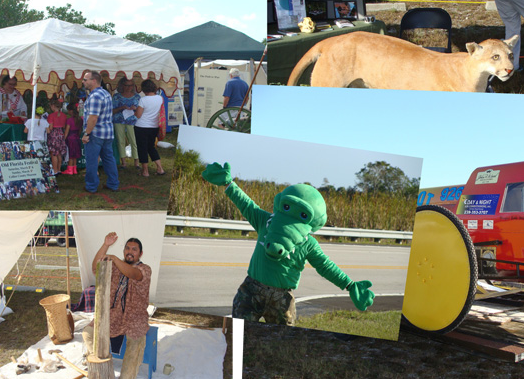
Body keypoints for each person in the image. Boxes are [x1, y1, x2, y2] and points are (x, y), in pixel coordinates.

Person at [201, 162, 375, 325]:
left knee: (281, 341)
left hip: (281, 298)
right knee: (238, 333)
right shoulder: (265, 220)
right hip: (252, 290)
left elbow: (325, 266)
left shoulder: (307, 243)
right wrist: (229, 184)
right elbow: (246, 204)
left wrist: (349, 285)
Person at [82, 232, 152, 379]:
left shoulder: (144, 269)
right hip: (113, 315)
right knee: (88, 332)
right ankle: (101, 366)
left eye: (134, 249)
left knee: (135, 342)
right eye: (127, 248)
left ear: (140, 254)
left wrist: (113, 257)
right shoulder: (115, 266)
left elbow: (133, 274)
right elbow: (95, 267)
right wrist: (106, 245)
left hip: (134, 317)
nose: (130, 251)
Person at [81, 71, 120, 193]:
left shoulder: (95, 96)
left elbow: (93, 117)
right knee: (109, 159)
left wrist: (87, 133)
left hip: (96, 133)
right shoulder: (106, 94)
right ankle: (113, 184)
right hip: (107, 132)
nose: (83, 82)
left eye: (85, 79)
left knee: (92, 161)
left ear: (93, 81)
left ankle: (91, 186)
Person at [133, 79, 166, 177]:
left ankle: (145, 171)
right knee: (151, 147)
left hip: (141, 126)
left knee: (142, 148)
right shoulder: (160, 98)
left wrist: (135, 111)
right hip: (154, 126)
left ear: (144, 89)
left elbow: (138, 115)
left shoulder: (143, 100)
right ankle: (160, 168)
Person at [112, 77, 141, 170]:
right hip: (118, 120)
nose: (129, 87)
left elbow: (141, 110)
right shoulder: (116, 96)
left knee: (134, 140)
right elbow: (111, 111)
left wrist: (135, 109)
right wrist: (121, 108)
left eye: (131, 85)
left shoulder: (137, 97)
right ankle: (123, 162)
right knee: (120, 141)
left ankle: (136, 161)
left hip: (132, 121)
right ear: (122, 85)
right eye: (127, 85)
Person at [46, 99, 69, 175]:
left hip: (54, 134)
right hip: (61, 133)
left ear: (53, 106)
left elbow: (51, 127)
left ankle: (55, 170)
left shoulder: (51, 116)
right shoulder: (64, 115)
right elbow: (64, 126)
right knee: (59, 153)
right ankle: (59, 169)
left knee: (53, 153)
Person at [63, 102, 83, 175]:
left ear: (71, 111)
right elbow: (80, 130)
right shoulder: (80, 119)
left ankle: (70, 169)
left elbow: (67, 131)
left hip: (70, 138)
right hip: (76, 137)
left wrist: (64, 139)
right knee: (75, 154)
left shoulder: (69, 120)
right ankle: (74, 169)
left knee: (70, 154)